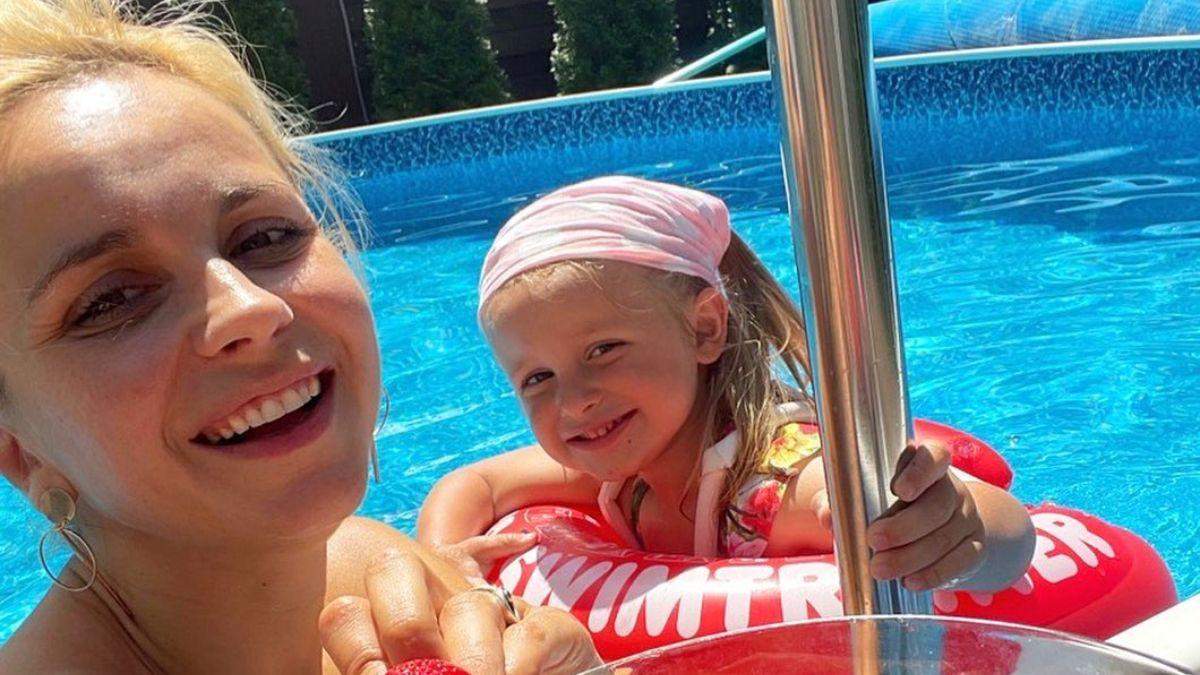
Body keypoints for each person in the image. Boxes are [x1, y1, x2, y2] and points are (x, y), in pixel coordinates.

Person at [0, 1, 601, 673]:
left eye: (265, 237)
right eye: (111, 300)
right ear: (17, 450)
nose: (249, 308)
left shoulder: (367, 572)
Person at [420, 176, 1036, 591]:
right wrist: (441, 567)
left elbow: (1005, 535)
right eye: (537, 377)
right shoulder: (623, 464)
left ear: (704, 328)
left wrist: (958, 524)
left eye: (603, 350)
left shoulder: (770, 488)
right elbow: (474, 483)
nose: (573, 400)